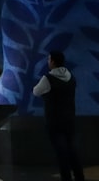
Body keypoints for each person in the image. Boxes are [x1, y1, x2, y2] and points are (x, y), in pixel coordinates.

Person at [33, 50, 85, 181]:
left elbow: (36, 91)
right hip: (70, 119)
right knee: (72, 150)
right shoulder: (71, 77)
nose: (48, 62)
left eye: (49, 59)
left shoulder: (48, 78)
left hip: (54, 121)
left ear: (53, 62)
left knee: (61, 153)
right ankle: (79, 177)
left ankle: (66, 178)